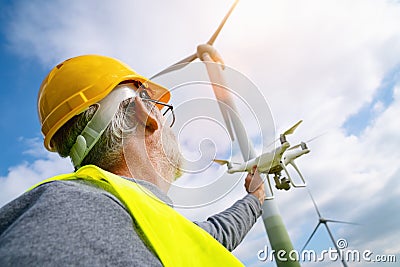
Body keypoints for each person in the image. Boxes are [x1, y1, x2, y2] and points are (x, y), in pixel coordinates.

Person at [0, 55, 265, 266]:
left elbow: (216, 235)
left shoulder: (146, 222)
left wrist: (255, 199)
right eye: (163, 112)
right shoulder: (68, 214)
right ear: (146, 112)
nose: (168, 124)